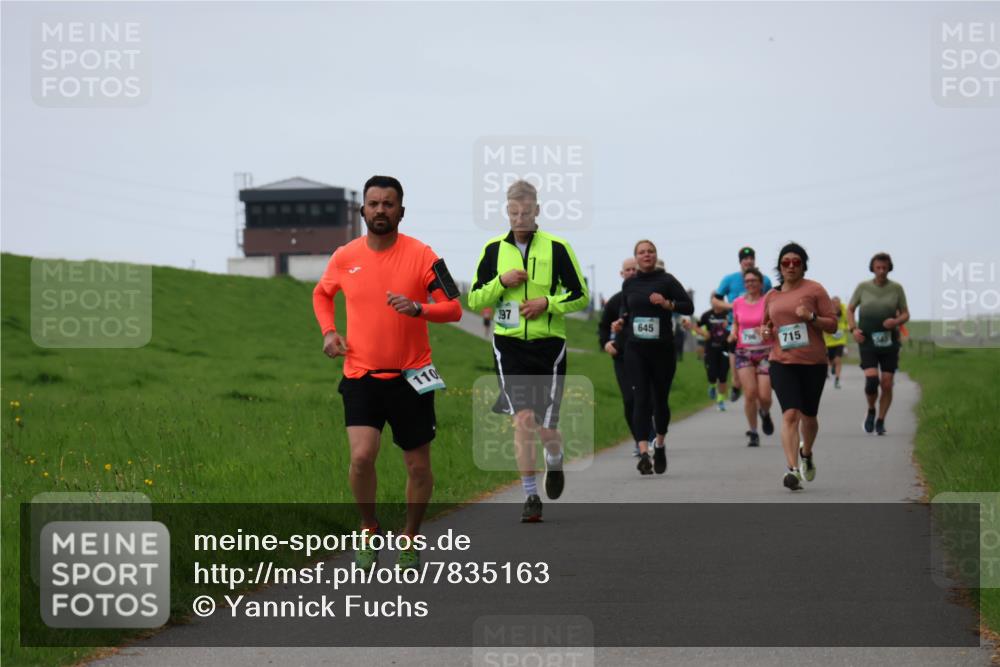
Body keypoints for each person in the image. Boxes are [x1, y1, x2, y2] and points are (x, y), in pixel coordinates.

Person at [312, 175, 463, 569]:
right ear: (362, 210)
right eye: (374, 203)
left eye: (388, 204)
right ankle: (368, 527)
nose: (380, 210)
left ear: (401, 211)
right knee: (362, 457)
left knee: (417, 465)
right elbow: (322, 294)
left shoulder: (423, 255)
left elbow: (453, 308)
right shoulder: (345, 256)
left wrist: (419, 308)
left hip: (413, 376)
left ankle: (410, 537)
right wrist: (329, 332)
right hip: (361, 374)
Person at [468, 180, 589, 522]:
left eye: (525, 211)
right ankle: (530, 497)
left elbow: (580, 295)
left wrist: (546, 303)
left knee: (547, 429)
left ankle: (554, 459)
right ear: (507, 211)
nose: (519, 217)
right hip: (509, 347)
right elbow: (475, 299)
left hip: (549, 347)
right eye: (513, 211)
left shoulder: (558, 247)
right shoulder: (493, 250)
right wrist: (500, 283)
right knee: (523, 420)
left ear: (537, 210)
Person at [761, 242, 837, 491]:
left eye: (796, 262)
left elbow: (833, 325)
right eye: (786, 262)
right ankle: (792, 469)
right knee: (790, 414)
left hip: (813, 362)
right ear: (780, 267)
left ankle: (807, 452)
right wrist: (765, 331)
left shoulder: (815, 289)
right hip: (781, 362)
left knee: (809, 416)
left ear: (803, 265)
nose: (791, 266)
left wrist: (811, 317)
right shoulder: (771, 295)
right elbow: (766, 326)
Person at [614, 240, 694, 475]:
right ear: (636, 257)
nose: (646, 255)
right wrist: (620, 322)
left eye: (650, 252)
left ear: (655, 255)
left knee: (660, 400)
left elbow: (688, 306)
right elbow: (625, 311)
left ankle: (659, 444)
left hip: (662, 349)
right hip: (635, 349)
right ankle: (644, 452)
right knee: (641, 399)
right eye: (642, 252)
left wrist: (667, 303)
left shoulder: (667, 280)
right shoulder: (629, 284)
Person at [847, 253, 910, 435]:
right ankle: (871, 409)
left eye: (884, 268)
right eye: (878, 268)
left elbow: (906, 314)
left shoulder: (897, 288)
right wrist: (853, 329)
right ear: (873, 268)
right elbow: (850, 309)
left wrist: (896, 322)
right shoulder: (863, 287)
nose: (881, 271)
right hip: (867, 340)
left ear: (889, 268)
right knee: (872, 381)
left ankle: (881, 420)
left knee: (887, 383)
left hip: (889, 341)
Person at [711, 247, 774, 402]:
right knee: (736, 365)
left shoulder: (764, 280)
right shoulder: (729, 280)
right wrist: (733, 306)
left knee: (761, 381)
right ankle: (736, 384)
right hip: (736, 326)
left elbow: (772, 301)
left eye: (751, 258)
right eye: (745, 259)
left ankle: (761, 394)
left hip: (760, 328)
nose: (749, 261)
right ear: (740, 262)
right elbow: (715, 300)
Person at [599, 258, 642, 456]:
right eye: (628, 270)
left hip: (646, 356)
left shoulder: (647, 298)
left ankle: (652, 436)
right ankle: (638, 439)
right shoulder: (615, 301)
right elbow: (603, 326)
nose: (631, 272)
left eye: (635, 269)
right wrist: (606, 343)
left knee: (647, 398)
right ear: (621, 274)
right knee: (629, 399)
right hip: (622, 357)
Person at [729, 267, 775, 447]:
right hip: (744, 352)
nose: (750, 284)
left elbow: (773, 324)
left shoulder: (768, 301)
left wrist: (765, 330)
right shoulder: (738, 302)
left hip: (765, 351)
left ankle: (764, 412)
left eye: (753, 281)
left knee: (764, 396)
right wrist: (733, 333)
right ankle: (753, 432)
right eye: (747, 281)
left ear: (760, 283)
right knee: (750, 394)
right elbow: (736, 323)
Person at [684, 302, 730, 412]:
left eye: (719, 300)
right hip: (710, 349)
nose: (717, 303)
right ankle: (712, 385)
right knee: (712, 374)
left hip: (725, 349)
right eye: (714, 300)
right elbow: (696, 328)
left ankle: (720, 401)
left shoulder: (728, 314)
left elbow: (736, 326)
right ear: (711, 302)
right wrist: (701, 332)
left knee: (723, 377)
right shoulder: (706, 315)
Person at [823, 296, 850, 389]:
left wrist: (846, 328)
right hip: (829, 341)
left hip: (840, 340)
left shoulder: (844, 310)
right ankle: (832, 365)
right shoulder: (826, 311)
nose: (836, 305)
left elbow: (848, 322)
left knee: (838, 360)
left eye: (837, 303)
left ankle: (837, 380)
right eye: (834, 303)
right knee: (830, 360)